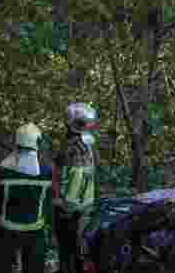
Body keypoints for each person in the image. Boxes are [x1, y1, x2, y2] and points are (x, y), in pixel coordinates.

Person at [0, 123, 54, 273]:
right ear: (37, 143)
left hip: (6, 229)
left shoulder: (3, 169)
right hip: (35, 231)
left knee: (3, 268)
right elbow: (49, 203)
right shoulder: (47, 171)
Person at [53, 103, 100, 273]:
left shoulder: (85, 146)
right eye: (84, 124)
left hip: (76, 208)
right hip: (73, 208)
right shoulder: (78, 147)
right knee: (75, 251)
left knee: (73, 251)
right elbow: (57, 175)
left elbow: (58, 175)